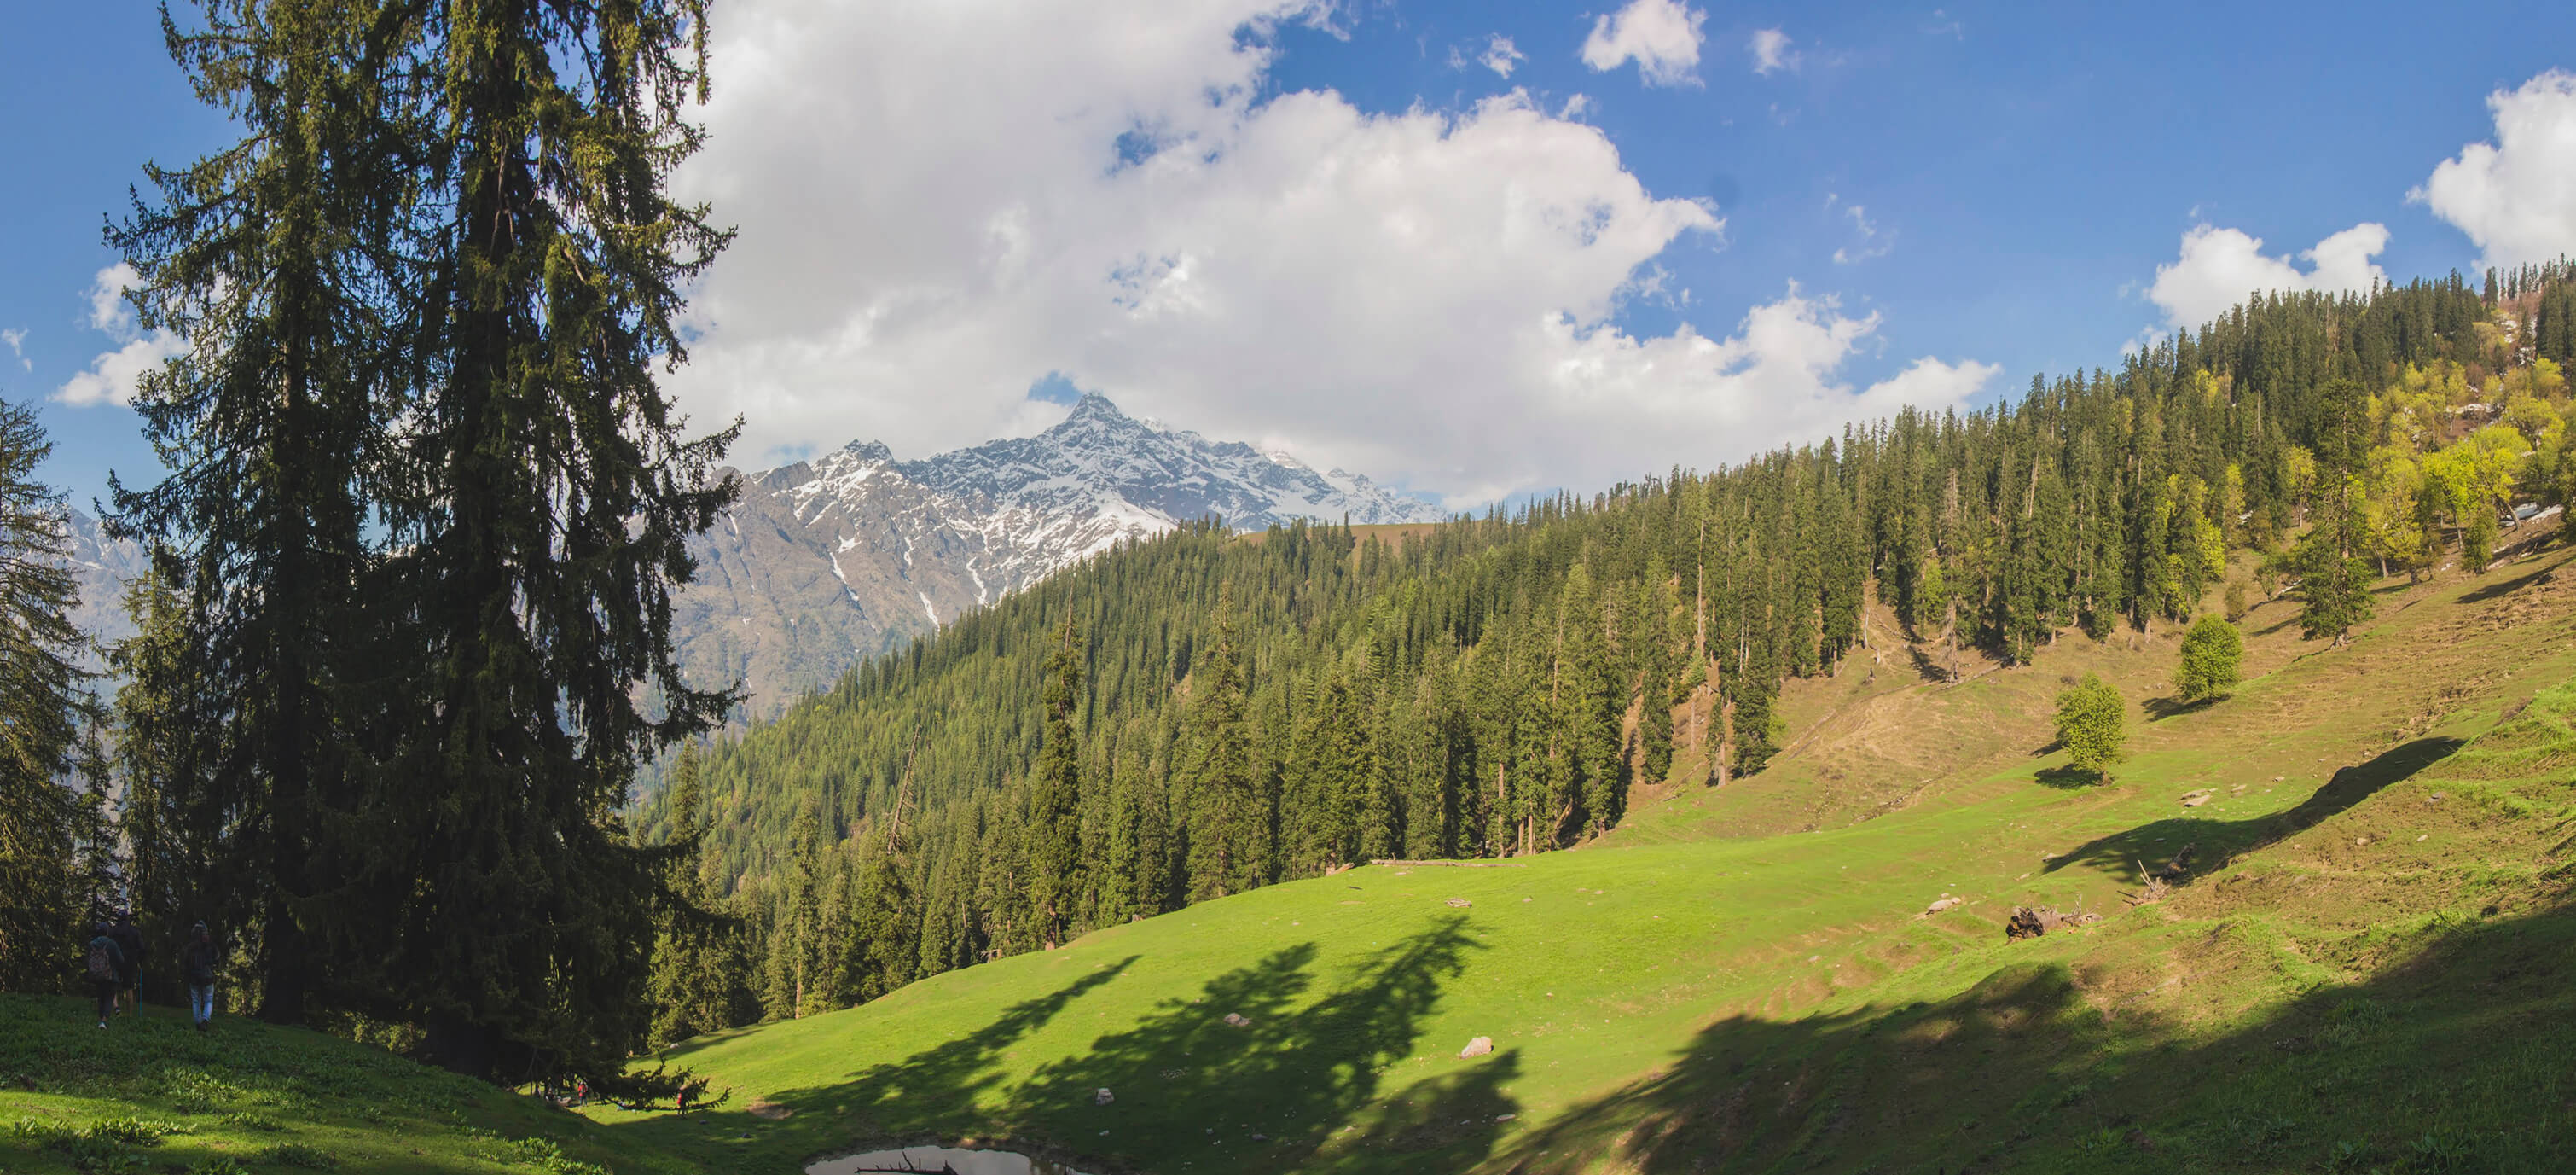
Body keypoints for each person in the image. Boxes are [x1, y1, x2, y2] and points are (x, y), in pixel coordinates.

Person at [84, 922, 123, 1029]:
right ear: (107, 932)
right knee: (109, 997)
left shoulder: (92, 944)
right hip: (110, 975)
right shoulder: (111, 943)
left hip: (96, 975)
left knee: (101, 997)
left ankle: (101, 1019)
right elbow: (120, 959)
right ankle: (103, 1021)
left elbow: (87, 959)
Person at [182, 922, 218, 1031]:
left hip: (194, 978)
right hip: (208, 978)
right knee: (208, 1000)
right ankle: (205, 1020)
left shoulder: (190, 947)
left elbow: (185, 962)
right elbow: (217, 957)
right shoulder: (211, 946)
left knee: (196, 1001)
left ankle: (198, 1023)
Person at [108, 910, 146, 1016]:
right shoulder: (134, 931)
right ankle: (129, 1014)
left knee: (113, 985)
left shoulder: (113, 931)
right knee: (129, 988)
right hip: (130, 962)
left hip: (115, 961)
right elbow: (142, 947)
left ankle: (116, 1008)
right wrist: (141, 960)